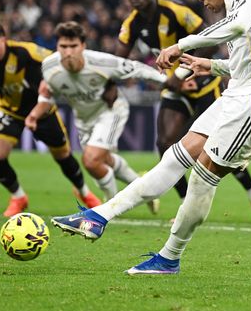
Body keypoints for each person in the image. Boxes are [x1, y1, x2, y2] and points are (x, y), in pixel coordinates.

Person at [52, 0, 251, 275]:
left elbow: (235, 27)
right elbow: (249, 62)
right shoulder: (244, 10)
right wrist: (211, 65)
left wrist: (182, 45)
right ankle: (98, 217)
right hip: (240, 94)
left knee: (202, 175)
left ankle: (169, 257)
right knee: (174, 156)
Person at [117, 0, 251, 224]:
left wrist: (181, 73)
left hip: (203, 83)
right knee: (165, 143)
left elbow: (209, 41)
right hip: (175, 88)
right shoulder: (132, 23)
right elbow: (120, 60)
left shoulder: (175, 11)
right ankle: (184, 206)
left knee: (221, 146)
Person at [25, 21, 164, 213]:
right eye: (63, 46)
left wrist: (170, 82)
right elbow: (46, 94)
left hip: (111, 111)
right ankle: (145, 189)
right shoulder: (49, 66)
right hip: (84, 120)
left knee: (91, 160)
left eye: (73, 46)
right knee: (104, 160)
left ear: (83, 46)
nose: (68, 52)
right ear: (57, 46)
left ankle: (110, 208)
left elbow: (137, 68)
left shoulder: (101, 61)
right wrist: (33, 115)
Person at [0, 21, 100, 216]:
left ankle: (84, 192)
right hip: (9, 109)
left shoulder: (26, 53)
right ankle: (18, 197)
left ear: (3, 39)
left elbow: (58, 60)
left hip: (42, 110)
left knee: (63, 156)